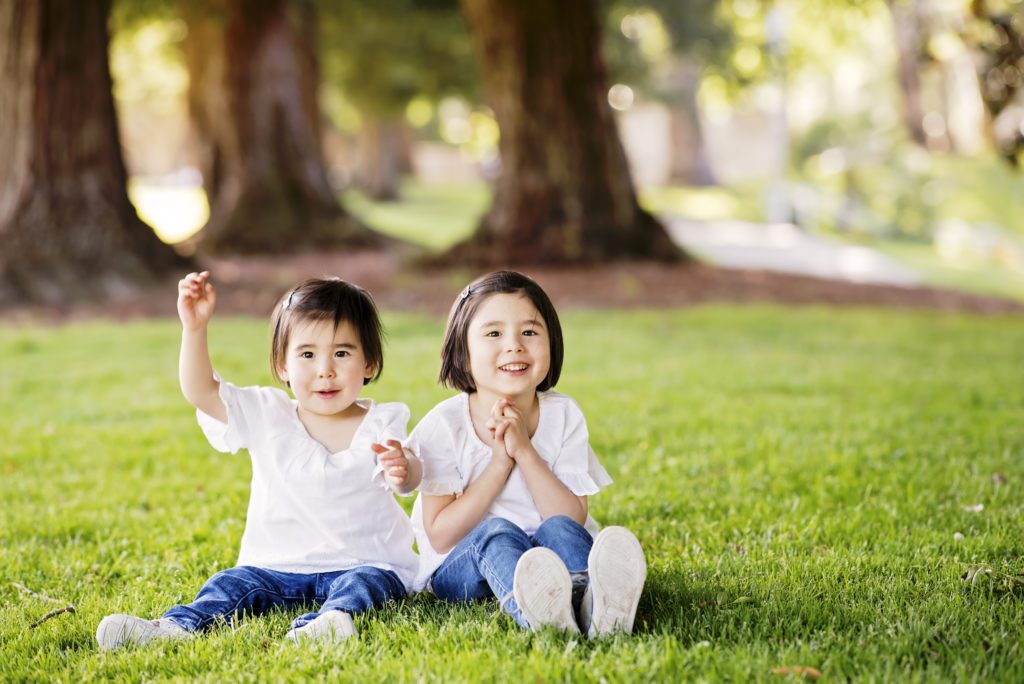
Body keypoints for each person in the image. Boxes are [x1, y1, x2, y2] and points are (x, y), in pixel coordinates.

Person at [96, 272, 420, 650]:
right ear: (282, 365)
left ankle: (331, 622)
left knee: (369, 585)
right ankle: (173, 626)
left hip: (362, 562)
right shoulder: (268, 413)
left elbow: (409, 477)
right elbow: (201, 391)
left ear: (370, 362)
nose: (325, 370)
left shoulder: (381, 421)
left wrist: (404, 470)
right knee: (229, 585)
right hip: (275, 567)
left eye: (342, 353)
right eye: (307, 354)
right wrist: (195, 328)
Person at [408, 270, 646, 637]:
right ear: (464, 353)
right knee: (497, 533)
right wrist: (501, 463)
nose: (514, 345)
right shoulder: (444, 425)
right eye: (493, 334)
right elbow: (441, 535)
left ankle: (594, 605)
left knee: (560, 529)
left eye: (530, 332)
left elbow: (570, 517)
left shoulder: (564, 415)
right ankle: (546, 614)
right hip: (465, 569)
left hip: (554, 556)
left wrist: (524, 450)